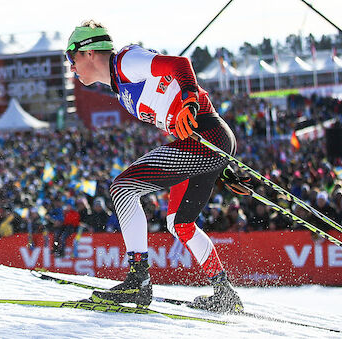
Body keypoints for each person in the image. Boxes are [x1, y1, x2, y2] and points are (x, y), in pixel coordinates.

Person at [66, 20, 243, 313]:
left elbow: (179, 64)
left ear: (88, 52)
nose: (72, 67)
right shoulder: (120, 87)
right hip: (206, 140)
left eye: (71, 59)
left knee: (122, 189)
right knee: (179, 224)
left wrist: (189, 102)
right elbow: (173, 113)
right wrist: (221, 162)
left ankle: (138, 282)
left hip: (205, 136)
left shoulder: (125, 62)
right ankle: (223, 292)